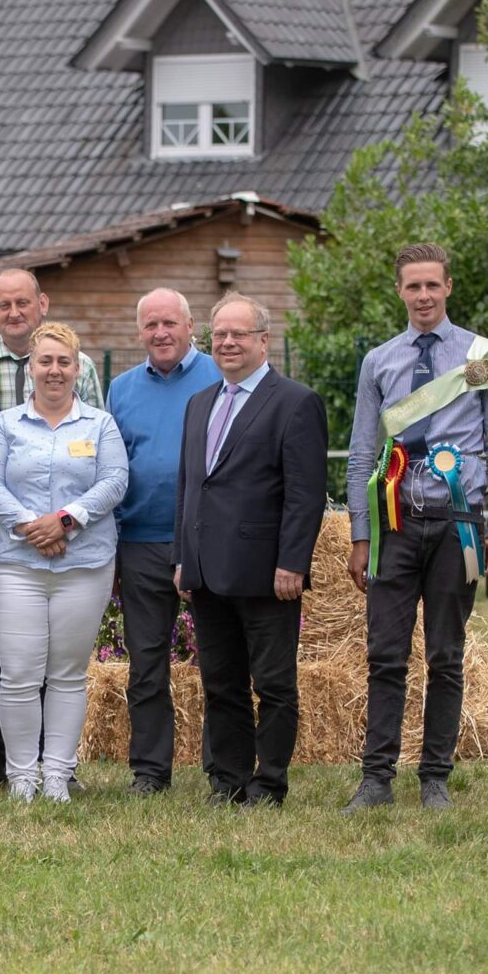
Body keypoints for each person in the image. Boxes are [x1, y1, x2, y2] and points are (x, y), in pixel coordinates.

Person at [343, 245, 488, 812]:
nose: (423, 296)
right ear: (399, 291)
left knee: (446, 654)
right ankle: (376, 779)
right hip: (394, 525)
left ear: (448, 287)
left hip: (457, 525)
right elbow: (362, 452)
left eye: (432, 286)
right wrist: (360, 534)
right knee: (384, 654)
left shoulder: (480, 357)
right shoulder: (379, 362)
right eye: (413, 286)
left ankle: (435, 777)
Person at [0, 267, 104, 794]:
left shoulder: (77, 364)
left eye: (23, 303)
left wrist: (62, 524)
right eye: (4, 305)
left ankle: (57, 765)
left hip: (70, 529)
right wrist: (21, 522)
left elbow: (96, 444)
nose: (14, 312)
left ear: (42, 304)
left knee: (58, 653)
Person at [172, 297, 327, 808]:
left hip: (266, 574)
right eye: (219, 334)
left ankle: (269, 783)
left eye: (239, 334)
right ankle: (229, 780)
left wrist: (293, 563)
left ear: (264, 340)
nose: (227, 343)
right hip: (206, 571)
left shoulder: (296, 402)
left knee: (274, 685)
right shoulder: (200, 402)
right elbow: (189, 486)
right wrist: (182, 557)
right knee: (221, 684)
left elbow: (305, 494)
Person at [0, 321, 128, 803]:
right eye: (45, 361)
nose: (54, 370)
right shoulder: (5, 425)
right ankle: (22, 777)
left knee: (66, 674)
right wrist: (30, 526)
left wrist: (65, 520)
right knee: (18, 674)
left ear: (78, 369)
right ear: (31, 369)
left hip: (84, 566)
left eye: (64, 361)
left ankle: (58, 774)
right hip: (18, 565)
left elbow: (115, 480)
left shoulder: (100, 424)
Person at [104, 288, 221, 793]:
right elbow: (110, 469)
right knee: (146, 665)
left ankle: (223, 769)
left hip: (208, 540)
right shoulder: (121, 389)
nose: (160, 333)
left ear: (191, 326)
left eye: (169, 323)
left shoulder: (220, 376)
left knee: (219, 660)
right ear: (139, 332)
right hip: (140, 541)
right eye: (150, 325)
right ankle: (150, 771)